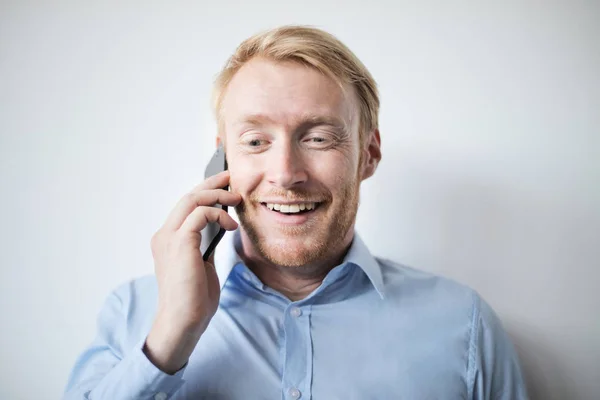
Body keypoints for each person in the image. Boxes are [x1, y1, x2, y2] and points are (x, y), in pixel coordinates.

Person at [64, 25, 527, 399]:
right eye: (255, 142)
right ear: (223, 161)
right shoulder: (134, 314)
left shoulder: (464, 325)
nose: (285, 173)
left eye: (319, 137)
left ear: (369, 153)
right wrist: (169, 340)